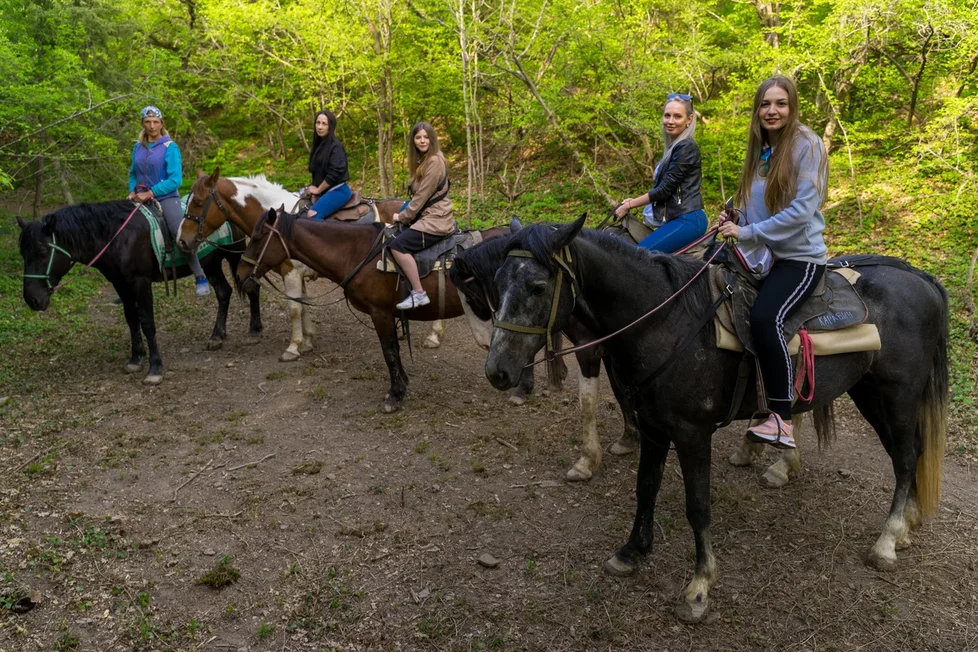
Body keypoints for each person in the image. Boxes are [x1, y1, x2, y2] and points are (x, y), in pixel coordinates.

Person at [718, 75, 829, 449]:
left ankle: (781, 417)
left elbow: (801, 211)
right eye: (765, 104)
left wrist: (747, 233)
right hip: (761, 257)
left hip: (799, 259)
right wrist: (735, 217)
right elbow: (753, 204)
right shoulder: (762, 148)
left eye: (780, 103)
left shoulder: (807, 146)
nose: (772, 110)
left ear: (792, 106)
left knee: (767, 317)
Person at [128, 106, 210, 296]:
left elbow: (175, 179)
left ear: (161, 124)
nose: (152, 126)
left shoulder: (169, 147)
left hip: (166, 197)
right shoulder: (137, 147)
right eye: (148, 122)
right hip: (139, 197)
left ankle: (199, 275)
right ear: (142, 124)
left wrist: (151, 192)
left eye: (155, 122)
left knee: (180, 235)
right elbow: (133, 173)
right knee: (127, 232)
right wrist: (132, 190)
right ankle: (131, 279)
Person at [615, 93, 706, 252]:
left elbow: (664, 191)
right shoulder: (675, 147)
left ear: (689, 119)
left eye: (677, 116)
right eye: (667, 115)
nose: (670, 121)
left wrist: (629, 205)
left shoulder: (686, 147)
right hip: (678, 218)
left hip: (688, 219)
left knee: (638, 257)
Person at [389, 122, 455, 310]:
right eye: (418, 137)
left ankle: (419, 293)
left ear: (432, 139)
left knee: (397, 246)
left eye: (426, 137)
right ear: (413, 140)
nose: (422, 140)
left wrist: (402, 217)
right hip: (429, 215)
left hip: (436, 219)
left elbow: (421, 197)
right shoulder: (424, 160)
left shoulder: (434, 161)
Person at [304, 110, 352, 220]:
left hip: (338, 191)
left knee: (313, 214)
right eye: (318, 123)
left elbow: (334, 173)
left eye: (324, 124)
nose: (320, 127)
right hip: (326, 191)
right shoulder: (319, 145)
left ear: (331, 126)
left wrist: (317, 190)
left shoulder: (336, 147)